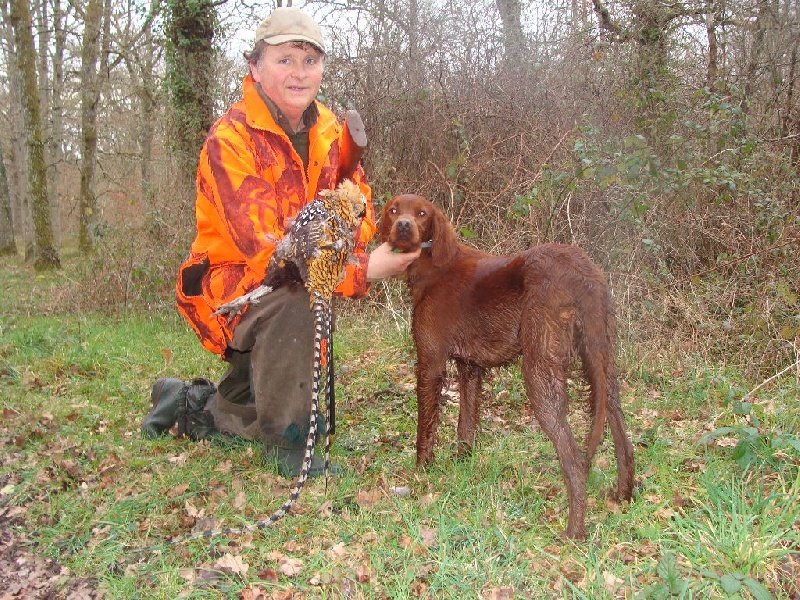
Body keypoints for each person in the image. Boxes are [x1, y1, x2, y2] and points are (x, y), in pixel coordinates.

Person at [142, 7, 419, 477]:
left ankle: (200, 403)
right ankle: (289, 446)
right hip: (236, 290)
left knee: (316, 406)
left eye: (309, 60)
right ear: (255, 67)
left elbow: (361, 203)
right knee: (300, 296)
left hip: (297, 282)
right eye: (285, 59)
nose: (299, 72)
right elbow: (272, 253)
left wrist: (359, 232)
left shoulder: (331, 132)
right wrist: (361, 269)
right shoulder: (229, 140)